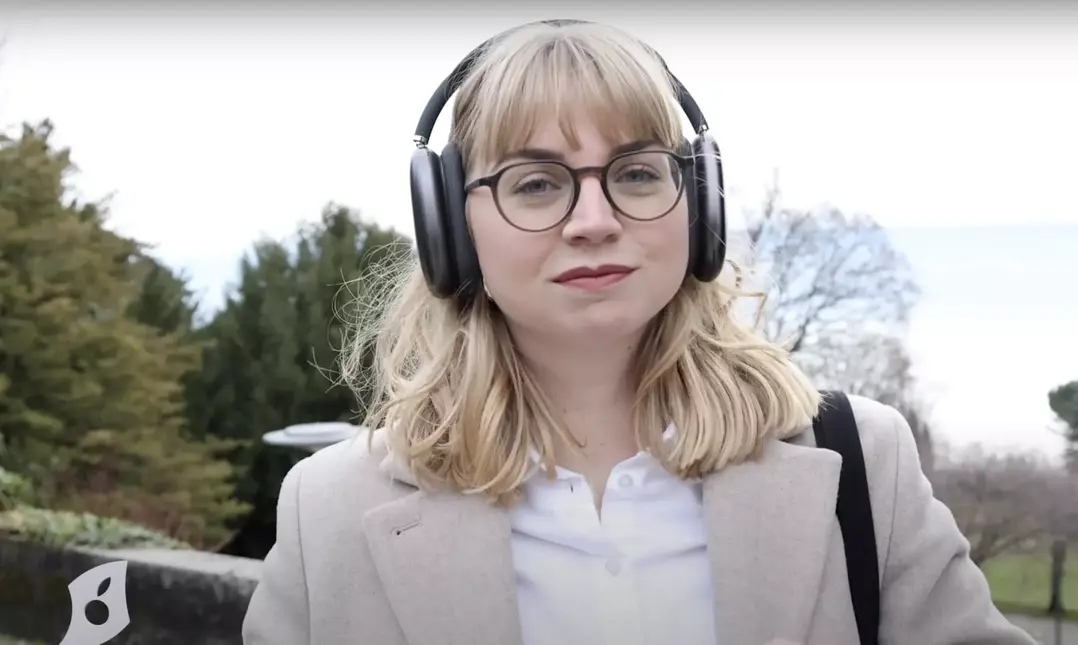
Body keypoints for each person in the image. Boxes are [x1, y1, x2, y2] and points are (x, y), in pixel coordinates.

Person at [242, 19, 1037, 645]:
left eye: (635, 173)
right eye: (536, 182)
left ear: (701, 204)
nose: (594, 220)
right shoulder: (329, 508)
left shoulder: (864, 460)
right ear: (452, 224)